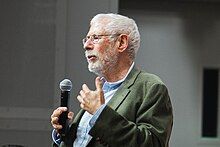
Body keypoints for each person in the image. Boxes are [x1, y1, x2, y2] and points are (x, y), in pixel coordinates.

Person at [50, 13, 173, 147]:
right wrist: (64, 133)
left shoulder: (150, 87)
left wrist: (100, 114)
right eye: (87, 39)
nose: (87, 46)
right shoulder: (100, 92)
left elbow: (153, 144)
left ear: (121, 43)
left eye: (95, 38)